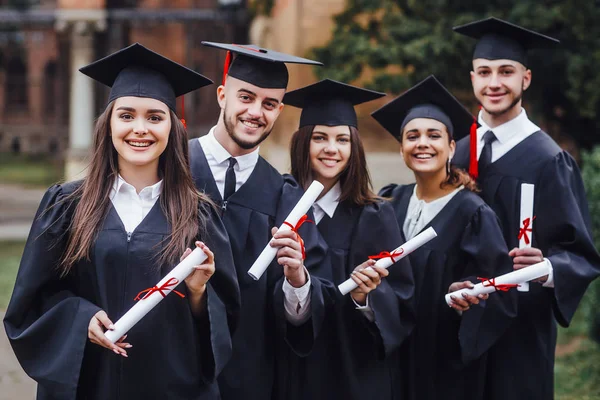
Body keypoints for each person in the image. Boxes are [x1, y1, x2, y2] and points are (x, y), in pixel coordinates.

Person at [3, 43, 240, 400]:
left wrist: (197, 291)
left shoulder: (199, 215)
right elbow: (31, 302)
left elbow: (224, 324)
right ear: (109, 125)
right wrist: (80, 317)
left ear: (173, 129)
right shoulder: (67, 205)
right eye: (126, 115)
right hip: (89, 386)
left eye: (155, 117)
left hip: (170, 388)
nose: (140, 129)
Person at [452, 17, 600, 399]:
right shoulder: (456, 150)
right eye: (484, 72)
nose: (494, 83)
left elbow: (581, 254)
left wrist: (546, 267)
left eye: (506, 71)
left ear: (526, 79)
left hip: (519, 330)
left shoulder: (549, 160)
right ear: (472, 80)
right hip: (458, 319)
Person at [189, 42, 334, 400]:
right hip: (169, 365)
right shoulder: (173, 167)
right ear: (222, 95)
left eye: (269, 104)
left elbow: (304, 315)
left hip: (246, 376)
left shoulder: (286, 198)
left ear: (280, 109)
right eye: (246, 97)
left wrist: (297, 278)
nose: (256, 112)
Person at [373, 75, 517, 400]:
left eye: (433, 135)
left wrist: (465, 295)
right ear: (401, 148)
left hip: (444, 367)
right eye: (412, 136)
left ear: (451, 146)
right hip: (391, 359)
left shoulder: (473, 214)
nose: (422, 143)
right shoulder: (390, 203)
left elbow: (501, 290)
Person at [274, 78, 416, 400]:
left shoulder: (375, 215)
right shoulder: (281, 206)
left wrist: (365, 298)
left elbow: (402, 299)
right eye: (320, 137)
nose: (331, 149)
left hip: (356, 373)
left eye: (342, 139)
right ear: (302, 143)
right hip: (296, 371)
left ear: (354, 148)